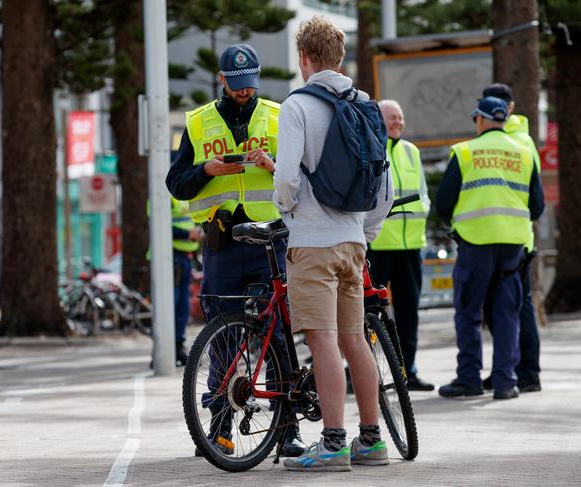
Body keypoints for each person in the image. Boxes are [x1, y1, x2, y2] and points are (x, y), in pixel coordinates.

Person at [165, 43, 306, 457]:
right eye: (236, 85)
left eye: (250, 85)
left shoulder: (280, 116)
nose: (244, 92)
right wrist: (206, 170)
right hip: (223, 242)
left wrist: (271, 165)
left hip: (272, 243)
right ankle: (220, 426)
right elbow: (176, 184)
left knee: (278, 335)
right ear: (222, 79)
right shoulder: (198, 122)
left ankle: (287, 429)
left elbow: (301, 178)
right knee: (224, 337)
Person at [274, 16, 394, 472]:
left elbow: (286, 178)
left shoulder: (297, 106)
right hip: (352, 242)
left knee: (321, 341)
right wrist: (363, 234)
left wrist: (290, 214)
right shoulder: (366, 104)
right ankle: (371, 440)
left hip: (312, 243)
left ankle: (332, 442)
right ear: (339, 57)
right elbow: (383, 188)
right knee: (355, 340)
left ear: (304, 57)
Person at [435, 96, 544, 400]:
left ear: (480, 120)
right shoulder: (524, 153)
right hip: (513, 247)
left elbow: (443, 202)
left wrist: (458, 223)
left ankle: (469, 379)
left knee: (469, 313)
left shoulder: (466, 151)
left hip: (475, 244)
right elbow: (537, 205)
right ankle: (505, 382)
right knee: (507, 313)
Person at [367, 99, 434, 392]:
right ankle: (365, 372)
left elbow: (422, 192)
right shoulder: (371, 148)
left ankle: (408, 372)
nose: (398, 122)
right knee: (368, 314)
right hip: (378, 245)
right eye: (392, 117)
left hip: (410, 247)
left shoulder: (411, 151)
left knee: (409, 312)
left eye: (400, 117)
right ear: (379, 120)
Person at [480, 83, 542, 393]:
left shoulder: (519, 141)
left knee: (519, 308)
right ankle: (506, 369)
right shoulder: (516, 140)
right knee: (501, 310)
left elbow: (534, 196)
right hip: (504, 235)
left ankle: (527, 372)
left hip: (514, 238)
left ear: (511, 108)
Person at [170, 197, 203, 366]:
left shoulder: (182, 197)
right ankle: (168, 349)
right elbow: (159, 225)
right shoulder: (165, 197)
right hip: (171, 257)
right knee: (171, 307)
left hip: (184, 258)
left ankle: (178, 347)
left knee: (182, 306)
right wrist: (188, 234)